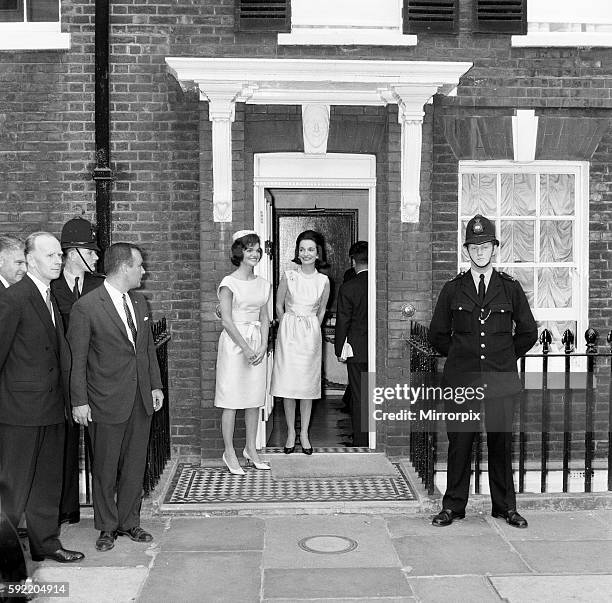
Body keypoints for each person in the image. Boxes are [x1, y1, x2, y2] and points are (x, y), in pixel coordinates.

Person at [429, 215, 537, 529]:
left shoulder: (510, 288)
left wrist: (504, 357)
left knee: (501, 443)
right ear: (467, 250)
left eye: (485, 245)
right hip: (462, 379)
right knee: (460, 442)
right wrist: (464, 356)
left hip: (500, 380)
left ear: (494, 248)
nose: (479, 251)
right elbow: (437, 334)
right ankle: (453, 507)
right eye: (474, 246)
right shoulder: (453, 289)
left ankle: (505, 507)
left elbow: (528, 332)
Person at [68, 243, 163, 552]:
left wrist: (155, 386)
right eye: (139, 266)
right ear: (124, 268)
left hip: (140, 399)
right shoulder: (87, 307)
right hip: (104, 400)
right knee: (106, 467)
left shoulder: (139, 302)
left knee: (135, 464)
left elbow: (147, 349)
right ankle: (107, 527)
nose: (143, 271)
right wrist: (79, 401)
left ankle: (129, 522)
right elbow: (77, 359)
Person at [0, 232, 84, 564]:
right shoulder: (14, 298)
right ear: (30, 259)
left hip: (52, 408)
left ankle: (45, 543)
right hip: (19, 412)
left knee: (46, 484)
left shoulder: (50, 296)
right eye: (49, 256)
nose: (58, 260)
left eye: (59, 255)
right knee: (14, 490)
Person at [52, 217, 104, 526]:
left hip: (94, 375)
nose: (97, 256)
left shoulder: (99, 285)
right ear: (74, 252)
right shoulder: (51, 286)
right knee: (64, 446)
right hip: (60, 377)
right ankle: (67, 509)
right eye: (91, 250)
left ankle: (104, 512)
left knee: (101, 448)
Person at [214, 230, 271, 475]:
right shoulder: (229, 283)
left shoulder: (263, 284)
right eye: (249, 249)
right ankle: (229, 452)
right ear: (239, 252)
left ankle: (251, 448)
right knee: (231, 401)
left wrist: (262, 345)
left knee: (253, 400)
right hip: (234, 346)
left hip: (256, 342)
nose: (254, 254)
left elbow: (265, 318)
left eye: (257, 250)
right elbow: (226, 321)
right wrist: (246, 349)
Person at [271, 230, 330, 455]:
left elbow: (323, 308)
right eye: (302, 249)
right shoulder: (289, 275)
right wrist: (287, 322)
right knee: (288, 385)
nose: (306, 253)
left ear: (318, 253)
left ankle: (304, 433)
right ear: (298, 252)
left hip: (310, 335)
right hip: (289, 333)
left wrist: (314, 326)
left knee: (306, 386)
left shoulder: (323, 281)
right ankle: (290, 433)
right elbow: (278, 304)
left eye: (311, 249)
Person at [335, 241, 369, 447]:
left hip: (356, 349)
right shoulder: (378, 283)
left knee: (358, 396)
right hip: (376, 349)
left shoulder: (349, 287)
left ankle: (362, 440)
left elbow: (343, 321)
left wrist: (340, 349)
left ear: (353, 261)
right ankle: (375, 438)